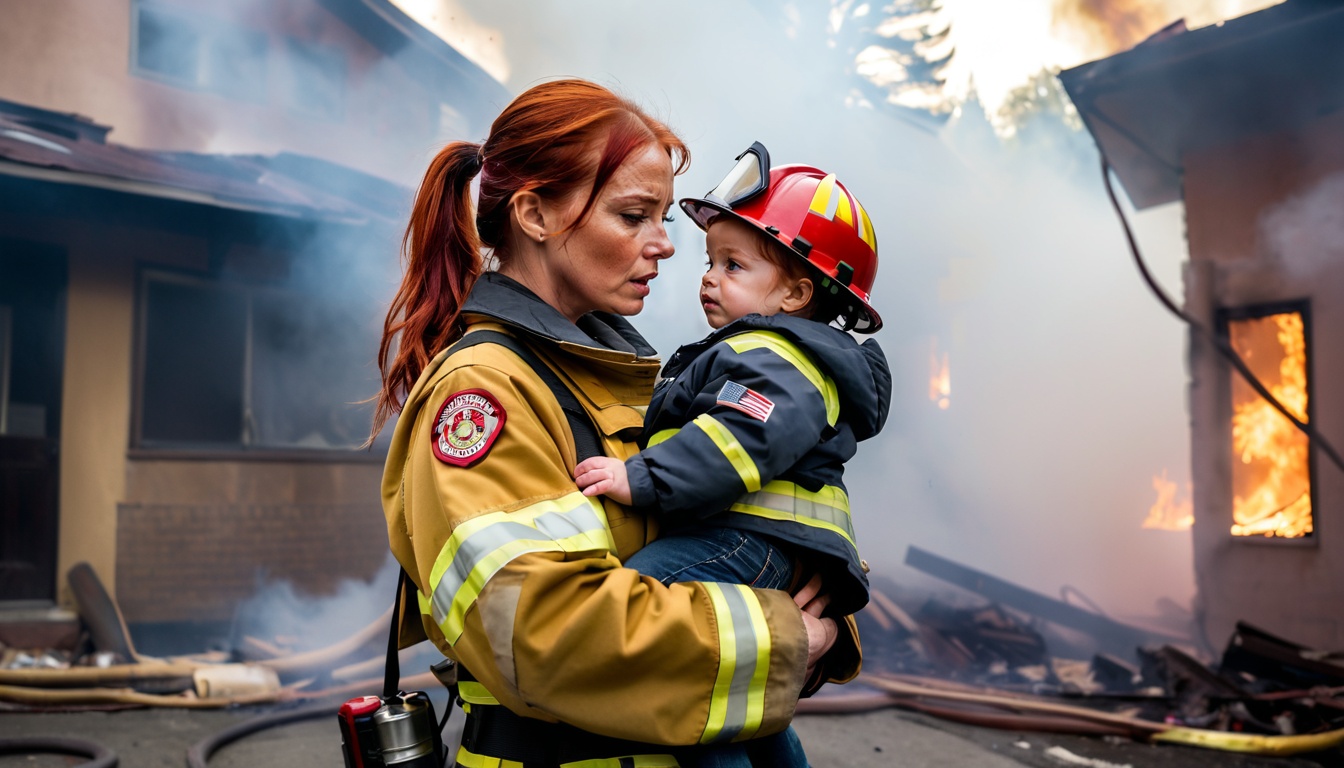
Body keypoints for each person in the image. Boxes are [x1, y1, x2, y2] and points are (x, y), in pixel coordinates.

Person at [371, 80, 857, 768]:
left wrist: (822, 592)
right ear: (535, 214)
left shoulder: (617, 382)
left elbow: (720, 542)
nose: (664, 246)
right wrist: (789, 639)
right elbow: (540, 631)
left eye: (663, 218)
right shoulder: (484, 394)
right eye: (634, 216)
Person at [574, 144, 891, 767]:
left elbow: (741, 440)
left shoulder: (774, 358)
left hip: (739, 539)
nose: (709, 277)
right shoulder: (774, 352)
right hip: (763, 546)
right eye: (711, 259)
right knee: (740, 689)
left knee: (636, 610)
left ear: (797, 293)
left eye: (734, 264)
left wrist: (640, 477)